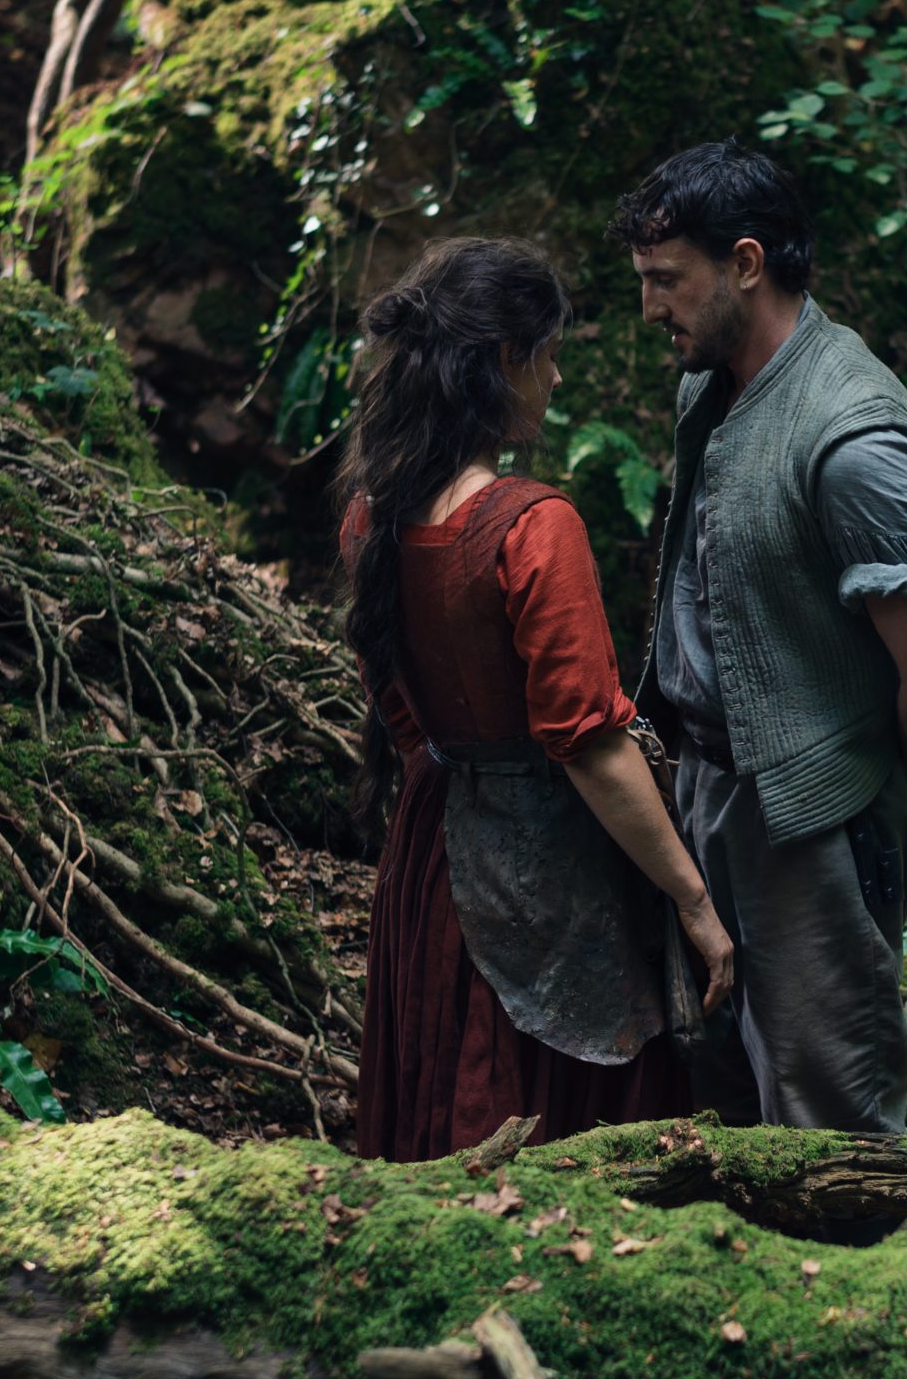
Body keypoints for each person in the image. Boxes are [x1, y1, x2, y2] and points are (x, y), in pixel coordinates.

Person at [609, 141, 907, 1134]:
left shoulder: (856, 438)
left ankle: (867, 1287)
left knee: (832, 1110)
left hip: (812, 823)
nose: (649, 309)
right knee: (719, 1084)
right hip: (703, 795)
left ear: (744, 263)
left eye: (664, 282)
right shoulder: (709, 385)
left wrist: (875, 812)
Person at [339, 236, 735, 1163]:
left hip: (433, 854)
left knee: (444, 1074)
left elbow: (397, 702)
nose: (555, 378)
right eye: (549, 354)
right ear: (506, 361)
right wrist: (692, 900)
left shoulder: (374, 510)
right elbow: (587, 742)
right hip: (547, 867)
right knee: (543, 1115)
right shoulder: (531, 526)